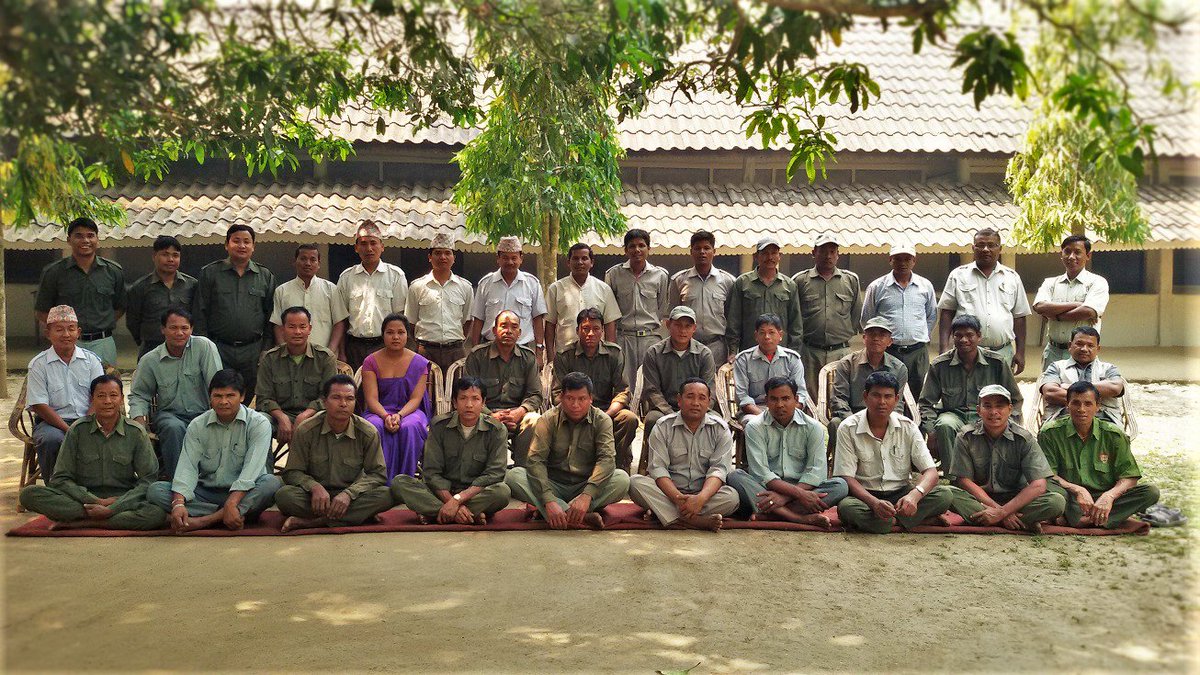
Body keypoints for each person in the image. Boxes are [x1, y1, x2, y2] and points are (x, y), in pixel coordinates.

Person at [19, 374, 167, 530]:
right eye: (101, 396)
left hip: (122, 498)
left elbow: (148, 480)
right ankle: (103, 518)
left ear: (121, 399)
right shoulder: (77, 430)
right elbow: (61, 478)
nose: (107, 401)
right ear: (92, 400)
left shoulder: (136, 432)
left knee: (156, 513)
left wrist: (113, 507)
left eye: (113, 395)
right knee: (28, 494)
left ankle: (85, 522)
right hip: (81, 500)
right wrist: (94, 501)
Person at [147, 369, 283, 533]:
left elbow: (251, 471)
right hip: (207, 492)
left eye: (230, 396)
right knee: (156, 490)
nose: (223, 401)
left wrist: (232, 502)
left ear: (242, 396)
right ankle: (232, 515)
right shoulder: (198, 425)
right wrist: (178, 503)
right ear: (210, 397)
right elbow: (187, 467)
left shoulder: (258, 423)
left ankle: (204, 521)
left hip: (244, 493)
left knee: (271, 483)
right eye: (218, 396)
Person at [505, 372, 631, 530]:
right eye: (570, 398)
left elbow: (606, 460)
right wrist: (549, 500)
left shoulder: (602, 420)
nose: (575, 405)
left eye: (581, 399)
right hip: (553, 484)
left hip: (585, 484)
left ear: (590, 398)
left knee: (622, 480)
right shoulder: (548, 419)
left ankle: (562, 513)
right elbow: (536, 461)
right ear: (561, 398)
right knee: (514, 476)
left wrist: (587, 496)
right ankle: (577, 516)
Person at [834, 372, 954, 533]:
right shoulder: (848, 428)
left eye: (888, 396)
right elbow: (846, 477)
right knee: (847, 508)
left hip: (901, 494)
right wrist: (874, 503)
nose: (882, 402)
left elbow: (931, 472)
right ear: (865, 397)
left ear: (897, 399)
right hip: (865, 497)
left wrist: (914, 496)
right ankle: (916, 520)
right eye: (876, 395)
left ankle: (887, 523)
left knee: (944, 495)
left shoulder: (908, 427)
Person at [276, 375, 395, 531]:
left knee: (388, 495)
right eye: (336, 398)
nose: (343, 404)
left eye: (349, 399)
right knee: (284, 496)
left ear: (355, 402)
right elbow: (291, 472)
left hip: (351, 497)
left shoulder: (367, 432)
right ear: (325, 402)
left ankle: (312, 523)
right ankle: (354, 516)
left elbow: (378, 474)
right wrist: (314, 487)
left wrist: (349, 494)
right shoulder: (306, 430)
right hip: (314, 498)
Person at [726, 377, 848, 527]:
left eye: (785, 399)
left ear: (796, 399)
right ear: (766, 400)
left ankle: (772, 515)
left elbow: (816, 472)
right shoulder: (755, 427)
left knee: (840, 485)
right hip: (768, 489)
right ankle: (797, 518)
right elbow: (761, 473)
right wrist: (799, 495)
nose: (780, 405)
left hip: (802, 487)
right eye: (774, 399)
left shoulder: (813, 427)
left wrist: (785, 497)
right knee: (735, 476)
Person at [391, 376, 513, 525]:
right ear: (455, 402)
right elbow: (431, 472)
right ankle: (468, 514)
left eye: (475, 399)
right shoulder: (439, 426)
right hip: (441, 493)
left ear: (483, 403)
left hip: (475, 493)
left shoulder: (497, 430)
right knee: (399, 483)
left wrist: (458, 500)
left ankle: (435, 512)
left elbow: (495, 473)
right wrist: (451, 501)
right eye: (463, 398)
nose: (469, 404)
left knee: (502, 492)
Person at [1039, 381, 1159, 529]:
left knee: (1150, 492)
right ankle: (1098, 519)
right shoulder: (1050, 433)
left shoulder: (1114, 435)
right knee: (1049, 489)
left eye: (1088, 404)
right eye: (1076, 403)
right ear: (1067, 405)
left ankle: (1080, 520)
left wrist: (1109, 496)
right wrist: (1078, 490)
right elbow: (1048, 475)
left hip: (1102, 496)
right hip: (1069, 496)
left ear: (1098, 406)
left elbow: (1129, 476)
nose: (1081, 409)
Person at [947, 385, 1066, 532]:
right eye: (987, 406)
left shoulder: (1024, 438)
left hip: (1017, 501)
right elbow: (964, 481)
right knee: (949, 494)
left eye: (999, 406)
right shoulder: (965, 437)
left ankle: (991, 520)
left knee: (1056, 502)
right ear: (978, 410)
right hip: (981, 501)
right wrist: (999, 511)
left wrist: (1002, 512)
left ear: (1010, 409)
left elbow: (1039, 485)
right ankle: (1020, 522)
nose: (993, 412)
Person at [920, 314, 1022, 477]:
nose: (964, 340)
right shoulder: (940, 365)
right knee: (944, 424)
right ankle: (955, 479)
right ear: (952, 337)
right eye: (958, 335)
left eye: (969, 335)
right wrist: (931, 432)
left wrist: (1010, 423)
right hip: (955, 416)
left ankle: (991, 480)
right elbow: (925, 403)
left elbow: (1015, 400)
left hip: (986, 417)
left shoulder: (996, 363)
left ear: (979, 337)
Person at [629, 378, 738, 531]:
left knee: (732, 497)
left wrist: (701, 499)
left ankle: (664, 514)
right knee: (635, 483)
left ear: (708, 402)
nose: (695, 403)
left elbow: (719, 470)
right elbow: (658, 469)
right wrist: (678, 499)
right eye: (690, 396)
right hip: (669, 493)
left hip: (703, 494)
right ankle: (697, 521)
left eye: (702, 398)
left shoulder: (720, 429)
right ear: (679, 400)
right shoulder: (663, 426)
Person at [128, 308, 223, 478]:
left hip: (203, 413)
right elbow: (139, 395)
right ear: (163, 329)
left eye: (184, 328)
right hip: (170, 415)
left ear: (192, 329)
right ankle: (179, 483)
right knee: (174, 428)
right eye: (173, 328)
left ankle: (211, 482)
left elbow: (217, 386)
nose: (179, 333)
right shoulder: (150, 360)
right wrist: (139, 422)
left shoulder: (205, 347)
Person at [192, 224, 276, 401]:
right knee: (220, 395)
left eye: (247, 242)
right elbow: (200, 312)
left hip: (252, 349)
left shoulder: (265, 276)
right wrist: (204, 347)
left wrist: (266, 348)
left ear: (253, 247)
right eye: (236, 241)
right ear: (226, 244)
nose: (242, 246)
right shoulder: (210, 273)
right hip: (218, 347)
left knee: (247, 394)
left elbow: (271, 316)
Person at [552, 308, 639, 474]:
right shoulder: (565, 356)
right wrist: (578, 411)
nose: (590, 333)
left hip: (607, 411)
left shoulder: (614, 354)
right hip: (574, 410)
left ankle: (616, 465)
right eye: (585, 329)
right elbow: (557, 394)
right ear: (577, 331)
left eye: (596, 329)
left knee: (629, 419)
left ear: (603, 331)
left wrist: (606, 414)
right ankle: (572, 469)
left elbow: (623, 391)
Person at [26, 305, 106, 483]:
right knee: (51, 440)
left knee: (111, 436)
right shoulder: (39, 364)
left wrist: (85, 425)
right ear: (48, 333)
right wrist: (69, 430)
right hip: (52, 424)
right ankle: (57, 492)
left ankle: (98, 489)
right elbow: (39, 405)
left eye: (71, 329)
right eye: (59, 329)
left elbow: (100, 396)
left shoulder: (91, 360)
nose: (66, 334)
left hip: (88, 419)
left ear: (78, 332)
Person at [34, 217, 126, 366]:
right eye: (79, 236)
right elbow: (42, 311)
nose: (85, 240)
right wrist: (65, 332)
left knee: (105, 387)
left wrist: (100, 323)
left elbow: (120, 307)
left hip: (102, 343)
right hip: (67, 344)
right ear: (69, 240)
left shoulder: (113, 271)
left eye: (90, 235)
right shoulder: (53, 272)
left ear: (97, 239)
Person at [938, 227, 1031, 373]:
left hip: (1002, 353)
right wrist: (944, 347)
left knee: (1000, 394)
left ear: (1000, 249)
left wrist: (1020, 352)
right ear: (973, 248)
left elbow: (1019, 317)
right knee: (966, 394)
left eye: (991, 245)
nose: (986, 249)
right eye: (980, 245)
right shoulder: (958, 275)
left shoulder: (1012, 277)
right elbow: (947, 312)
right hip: (966, 353)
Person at [464, 310, 543, 466]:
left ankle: (522, 470)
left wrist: (519, 412)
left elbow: (535, 394)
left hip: (517, 416)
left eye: (514, 327)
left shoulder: (528, 358)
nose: (508, 331)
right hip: (483, 414)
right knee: (469, 416)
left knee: (534, 420)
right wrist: (491, 416)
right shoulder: (478, 356)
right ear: (494, 330)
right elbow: (469, 394)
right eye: (503, 326)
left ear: (519, 333)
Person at [361, 314, 431, 481]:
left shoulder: (420, 362)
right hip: (378, 410)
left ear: (408, 335)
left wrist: (399, 416)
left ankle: (404, 481)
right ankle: (378, 480)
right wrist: (385, 416)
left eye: (401, 332)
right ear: (383, 334)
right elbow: (371, 398)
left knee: (409, 427)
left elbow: (415, 399)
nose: (395, 337)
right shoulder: (370, 361)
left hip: (410, 411)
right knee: (374, 426)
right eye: (390, 332)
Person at [861, 243, 937, 398]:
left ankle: (914, 422)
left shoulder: (925, 286)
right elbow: (867, 319)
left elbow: (931, 316)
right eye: (898, 259)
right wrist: (881, 342)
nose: (902, 263)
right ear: (890, 260)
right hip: (889, 352)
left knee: (919, 394)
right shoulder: (877, 286)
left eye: (907, 259)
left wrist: (918, 336)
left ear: (914, 261)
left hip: (918, 352)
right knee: (887, 392)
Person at [255, 306, 339, 446]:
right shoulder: (269, 359)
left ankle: (314, 467)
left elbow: (329, 397)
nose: (297, 332)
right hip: (277, 417)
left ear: (310, 329)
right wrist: (282, 418)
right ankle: (264, 468)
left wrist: (305, 415)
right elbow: (263, 398)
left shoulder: (325, 358)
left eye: (302, 326)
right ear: (283, 330)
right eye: (292, 327)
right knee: (259, 423)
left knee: (331, 421)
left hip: (315, 416)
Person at [794, 233, 862, 402]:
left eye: (832, 251)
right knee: (808, 399)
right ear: (813, 253)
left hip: (841, 352)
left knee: (840, 397)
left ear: (838, 255)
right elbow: (794, 317)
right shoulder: (801, 281)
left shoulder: (850, 280)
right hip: (810, 353)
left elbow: (856, 315)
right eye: (823, 251)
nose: (828, 256)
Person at [640, 306, 717, 451]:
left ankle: (707, 464)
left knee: (715, 421)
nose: (683, 331)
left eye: (688, 326)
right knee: (653, 420)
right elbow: (652, 390)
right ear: (668, 325)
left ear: (694, 328)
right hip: (665, 408)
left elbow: (709, 390)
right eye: (678, 325)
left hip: (696, 407)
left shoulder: (704, 354)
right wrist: (672, 414)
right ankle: (654, 465)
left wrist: (698, 411)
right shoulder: (654, 353)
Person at [336, 220, 409, 371]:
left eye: (373, 243)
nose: (368, 248)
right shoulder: (346, 277)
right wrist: (342, 352)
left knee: (385, 390)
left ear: (382, 246)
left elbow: (400, 317)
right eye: (363, 244)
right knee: (356, 391)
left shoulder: (395, 276)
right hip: (354, 347)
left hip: (385, 346)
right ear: (356, 248)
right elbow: (341, 319)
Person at [605, 228, 671, 389]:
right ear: (626, 250)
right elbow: (609, 313)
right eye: (632, 246)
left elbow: (663, 309)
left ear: (649, 249)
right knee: (624, 385)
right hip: (623, 338)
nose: (637, 250)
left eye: (641, 245)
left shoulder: (660, 276)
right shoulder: (613, 275)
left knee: (651, 385)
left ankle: (649, 414)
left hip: (650, 338)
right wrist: (611, 344)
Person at [1033, 235, 1110, 369]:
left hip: (1083, 355)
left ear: (1088, 255)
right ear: (1061, 254)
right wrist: (1077, 304)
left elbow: (1088, 311)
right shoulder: (1051, 283)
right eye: (1067, 251)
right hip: (1053, 351)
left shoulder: (1097, 282)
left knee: (1082, 390)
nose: (1071, 256)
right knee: (1051, 389)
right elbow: (1040, 306)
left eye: (1077, 252)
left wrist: (1055, 316)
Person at [468, 236, 547, 363]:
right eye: (505, 258)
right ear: (498, 259)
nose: (510, 262)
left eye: (514, 258)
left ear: (521, 259)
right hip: (490, 349)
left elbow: (537, 319)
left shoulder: (532, 283)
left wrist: (539, 351)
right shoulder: (486, 283)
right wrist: (475, 351)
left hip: (522, 350)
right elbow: (478, 320)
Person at [828, 317, 909, 441]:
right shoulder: (847, 364)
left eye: (882, 335)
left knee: (903, 426)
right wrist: (856, 422)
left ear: (890, 341)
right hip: (852, 415)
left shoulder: (899, 368)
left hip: (883, 417)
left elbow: (897, 404)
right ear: (864, 338)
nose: (876, 338)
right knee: (835, 423)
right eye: (872, 334)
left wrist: (883, 422)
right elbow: (838, 399)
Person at [404, 233, 474, 373]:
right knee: (425, 392)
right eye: (437, 253)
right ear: (430, 257)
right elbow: (411, 323)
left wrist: (453, 342)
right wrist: (422, 344)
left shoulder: (465, 287)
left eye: (447, 253)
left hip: (455, 351)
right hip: (425, 351)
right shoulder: (417, 287)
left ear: (454, 258)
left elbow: (467, 321)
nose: (443, 257)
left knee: (456, 392)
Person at [726, 235, 803, 356]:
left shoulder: (789, 286)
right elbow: (733, 321)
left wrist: (794, 354)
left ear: (779, 256)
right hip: (749, 352)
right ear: (756, 256)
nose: (770, 257)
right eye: (765, 253)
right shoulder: (742, 283)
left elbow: (796, 326)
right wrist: (732, 351)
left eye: (774, 253)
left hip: (781, 354)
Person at [668, 230, 736, 365]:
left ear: (714, 251)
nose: (702, 252)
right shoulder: (679, 280)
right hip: (687, 345)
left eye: (706, 248)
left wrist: (732, 350)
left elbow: (732, 319)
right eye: (697, 248)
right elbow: (672, 316)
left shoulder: (728, 281)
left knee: (715, 385)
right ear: (691, 252)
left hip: (717, 346)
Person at [125, 235, 197, 359]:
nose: (170, 259)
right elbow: (133, 321)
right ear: (154, 256)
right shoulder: (140, 287)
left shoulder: (192, 285)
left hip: (185, 349)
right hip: (151, 348)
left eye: (175, 255)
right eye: (165, 254)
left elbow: (198, 317)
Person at [269, 243, 349, 352]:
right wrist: (284, 350)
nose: (308, 263)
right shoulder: (282, 291)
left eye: (313, 260)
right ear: (294, 261)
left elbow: (339, 323)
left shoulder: (331, 289)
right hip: (291, 356)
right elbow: (278, 325)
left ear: (319, 264)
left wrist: (330, 351)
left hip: (323, 355)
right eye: (303, 259)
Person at [544, 242, 620, 357]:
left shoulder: (604, 289)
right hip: (565, 355)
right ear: (568, 263)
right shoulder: (556, 289)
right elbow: (550, 325)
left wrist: (610, 356)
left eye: (584, 258)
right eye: (575, 258)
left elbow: (610, 324)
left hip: (596, 356)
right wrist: (550, 357)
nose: (580, 262)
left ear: (591, 263)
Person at [1039, 326, 1126, 425]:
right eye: (1079, 344)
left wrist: (1071, 388)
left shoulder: (1108, 368)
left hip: (1105, 418)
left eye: (1090, 345)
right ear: (1070, 346)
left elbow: (1115, 388)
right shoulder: (1056, 367)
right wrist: (1097, 393)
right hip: (1062, 418)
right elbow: (1050, 393)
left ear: (1098, 349)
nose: (1084, 349)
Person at [732, 313, 806, 423]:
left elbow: (801, 393)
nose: (767, 337)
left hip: (787, 410)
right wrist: (765, 416)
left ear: (780, 335)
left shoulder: (792, 358)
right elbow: (742, 396)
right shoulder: (743, 359)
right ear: (756, 336)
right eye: (762, 333)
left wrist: (788, 413)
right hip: (756, 411)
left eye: (771, 332)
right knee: (753, 424)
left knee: (805, 424)